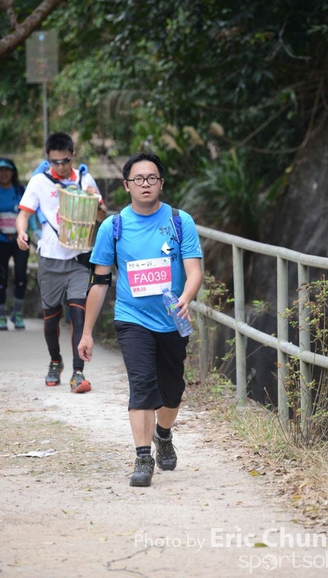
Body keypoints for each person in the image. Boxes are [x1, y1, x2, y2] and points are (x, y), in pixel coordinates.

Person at [77, 151, 202, 487]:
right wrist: (87, 332)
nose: (145, 184)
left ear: (161, 183)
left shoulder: (180, 221)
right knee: (142, 385)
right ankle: (143, 458)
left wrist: (186, 298)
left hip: (172, 319)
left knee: (172, 391)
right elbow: (99, 281)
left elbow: (194, 271)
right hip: (132, 318)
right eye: (138, 179)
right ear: (126, 185)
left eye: (151, 178)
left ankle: (164, 434)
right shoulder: (113, 226)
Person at [16, 132, 107, 392]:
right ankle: (55, 361)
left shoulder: (85, 179)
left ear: (72, 156)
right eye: (54, 161)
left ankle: (78, 373)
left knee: (78, 314)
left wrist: (94, 200)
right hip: (50, 259)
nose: (60, 166)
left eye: (65, 161)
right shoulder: (39, 182)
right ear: (48, 159)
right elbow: (24, 215)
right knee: (50, 320)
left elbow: (102, 216)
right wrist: (21, 233)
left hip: (79, 258)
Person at [0, 158, 40, 330]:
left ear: (12, 172)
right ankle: (1, 315)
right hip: (1, 241)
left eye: (7, 170)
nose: (4, 174)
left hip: (20, 239)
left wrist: (35, 232)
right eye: (1, 171)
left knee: (21, 275)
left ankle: (17, 313)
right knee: (1, 277)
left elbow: (27, 214)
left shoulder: (20, 191)